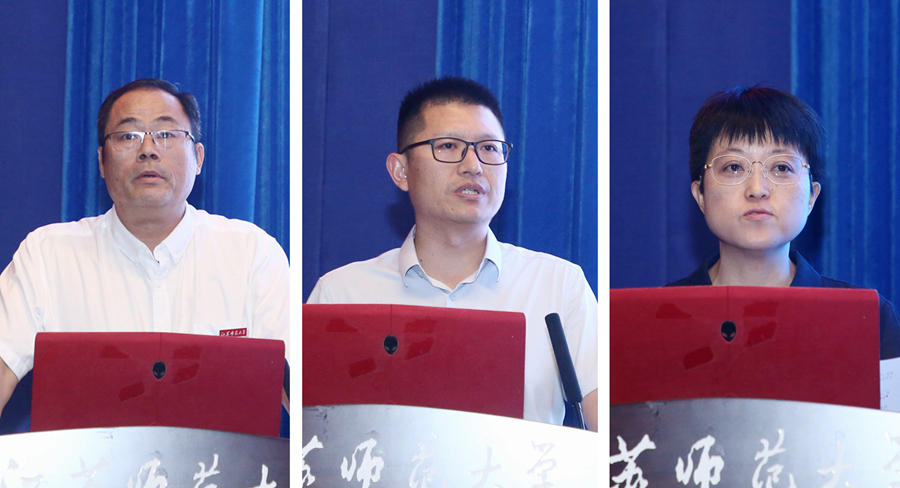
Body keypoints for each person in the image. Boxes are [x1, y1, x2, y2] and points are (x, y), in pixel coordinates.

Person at [307, 76, 598, 430]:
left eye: (489, 148)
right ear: (401, 171)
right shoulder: (341, 296)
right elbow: (315, 439)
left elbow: (609, 429)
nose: (473, 165)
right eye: (448, 146)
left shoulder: (559, 286)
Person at [0, 78, 290, 417]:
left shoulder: (251, 253)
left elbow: (299, 394)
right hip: (90, 452)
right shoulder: (48, 255)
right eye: (128, 136)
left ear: (197, 157)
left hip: (222, 454)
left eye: (166, 134)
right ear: (102, 162)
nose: (148, 149)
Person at [668, 86, 900, 363]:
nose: (757, 189)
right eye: (733, 167)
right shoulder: (656, 317)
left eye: (781, 167)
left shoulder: (868, 320)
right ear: (700, 195)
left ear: (812, 196)